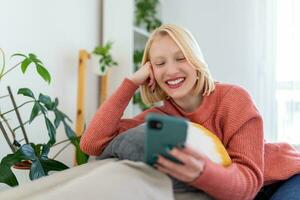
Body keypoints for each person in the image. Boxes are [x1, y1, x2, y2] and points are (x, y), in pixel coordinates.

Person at [80, 24, 300, 200]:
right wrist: (131, 83)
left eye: (181, 57)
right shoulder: (159, 118)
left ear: (196, 60)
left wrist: (201, 172)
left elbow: (247, 184)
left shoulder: (234, 99)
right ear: (151, 72)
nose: (172, 70)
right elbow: (92, 143)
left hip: (281, 178)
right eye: (160, 63)